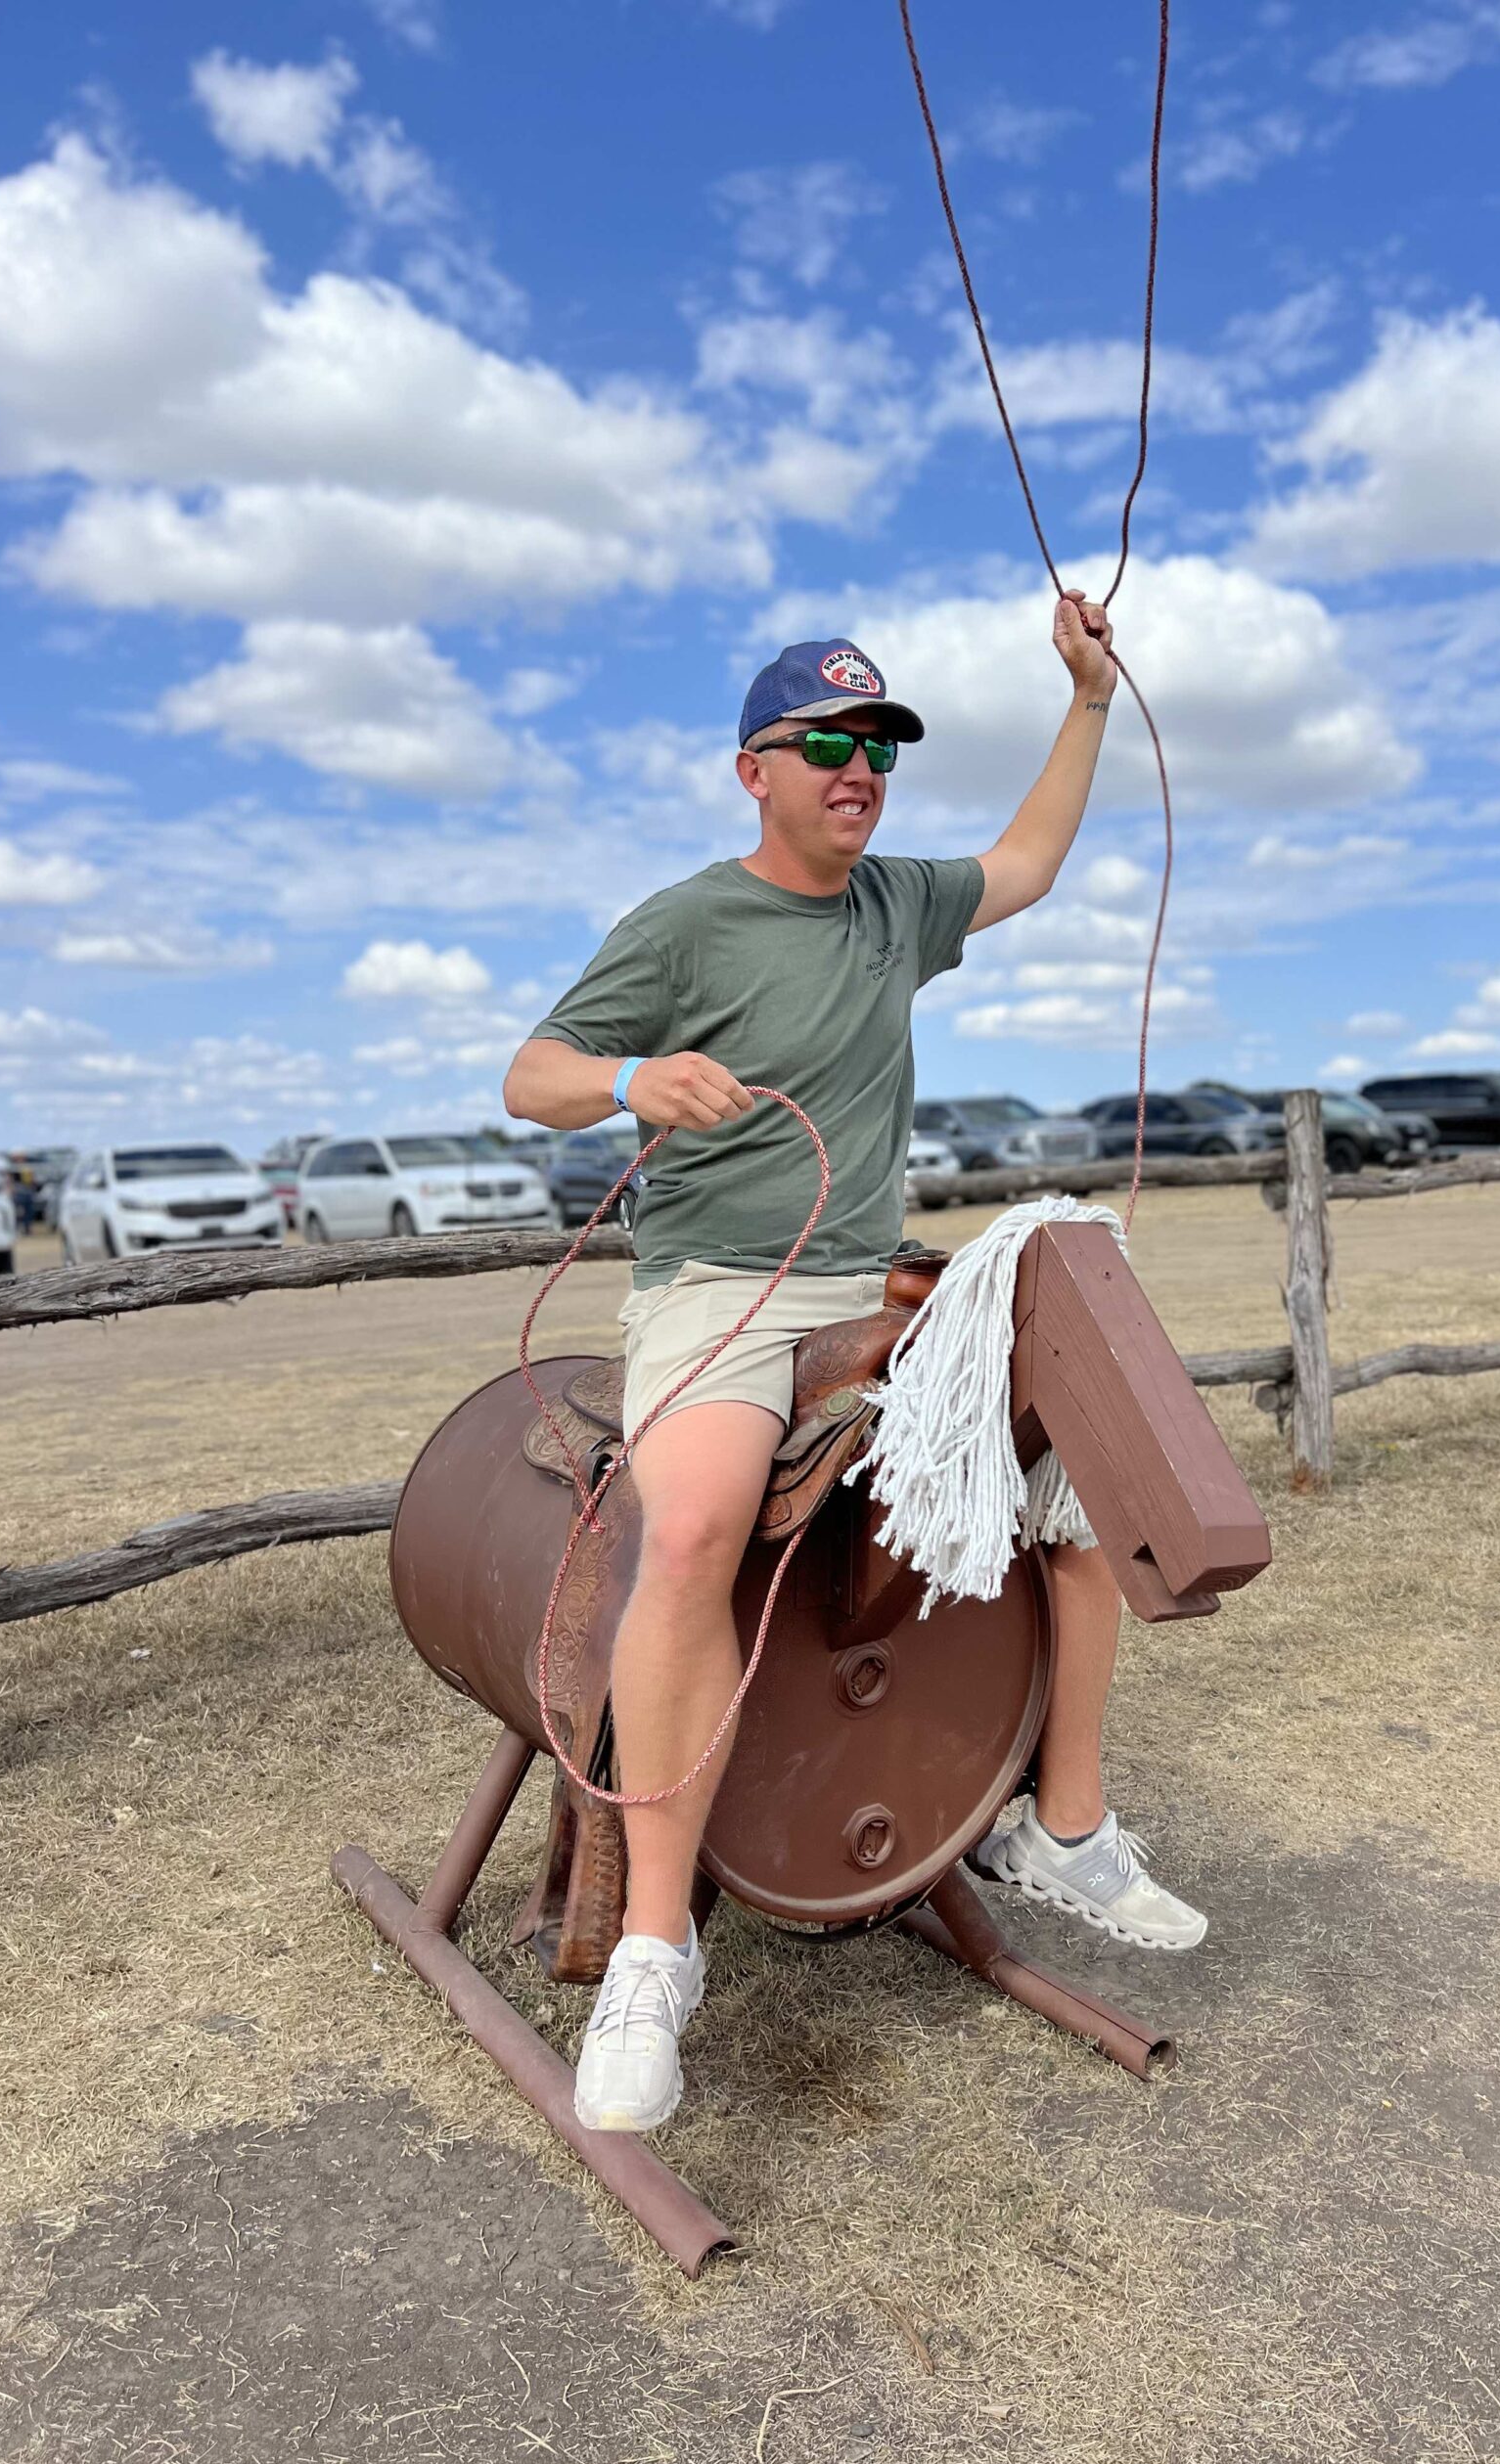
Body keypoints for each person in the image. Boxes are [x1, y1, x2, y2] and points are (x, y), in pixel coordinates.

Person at [503, 595, 1206, 2134]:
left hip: (872, 1280)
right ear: (752, 768)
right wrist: (632, 1075)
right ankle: (653, 1946)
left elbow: (1022, 866)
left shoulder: (899, 905)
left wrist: (1087, 699)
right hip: (723, 1293)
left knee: (1076, 1462)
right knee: (687, 1527)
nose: (857, 768)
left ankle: (1063, 1825)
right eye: (824, 744)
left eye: (877, 745)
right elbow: (531, 1076)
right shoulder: (685, 923)